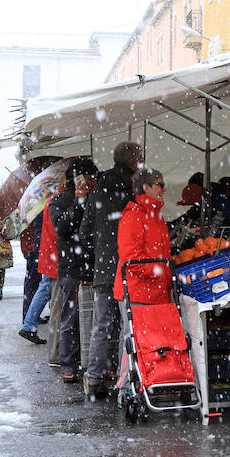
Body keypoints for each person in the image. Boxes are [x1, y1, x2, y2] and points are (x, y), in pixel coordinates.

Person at [81, 141, 143, 399]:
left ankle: (94, 380)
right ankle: (124, 382)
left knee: (102, 324)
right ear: (132, 162)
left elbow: (84, 233)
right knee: (128, 326)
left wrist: (98, 253)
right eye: (139, 158)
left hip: (104, 268)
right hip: (128, 267)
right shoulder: (134, 188)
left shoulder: (98, 190)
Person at [113, 168, 173, 392]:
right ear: (146, 187)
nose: (164, 189)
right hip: (138, 292)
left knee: (149, 342)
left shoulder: (154, 215)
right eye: (160, 184)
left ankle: (147, 383)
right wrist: (158, 270)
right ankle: (126, 388)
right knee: (134, 341)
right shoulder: (134, 215)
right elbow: (132, 258)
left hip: (153, 291)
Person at [50, 157, 100, 383]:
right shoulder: (60, 200)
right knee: (71, 317)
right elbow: (63, 228)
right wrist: (79, 201)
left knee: (97, 316)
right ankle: (68, 364)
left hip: (95, 264)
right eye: (90, 178)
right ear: (78, 179)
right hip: (71, 266)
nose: (93, 182)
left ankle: (95, 362)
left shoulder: (97, 198)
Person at [19, 188, 63, 345]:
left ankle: (29, 324)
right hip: (48, 252)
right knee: (45, 287)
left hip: (45, 251)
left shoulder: (41, 202)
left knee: (45, 287)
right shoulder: (51, 202)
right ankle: (29, 324)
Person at [20, 211, 44, 324]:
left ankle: (31, 314)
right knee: (33, 283)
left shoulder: (26, 209)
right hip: (33, 248)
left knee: (32, 282)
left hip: (29, 247)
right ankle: (29, 316)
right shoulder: (32, 212)